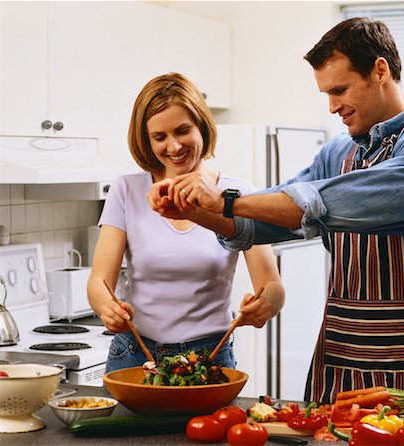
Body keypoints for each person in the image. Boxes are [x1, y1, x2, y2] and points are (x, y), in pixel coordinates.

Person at [148, 18, 404, 403]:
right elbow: (268, 222)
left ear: (380, 70)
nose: (332, 107)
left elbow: (333, 202)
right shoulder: (338, 153)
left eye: (340, 90)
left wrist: (223, 200)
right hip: (340, 355)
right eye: (326, 93)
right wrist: (191, 210)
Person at [87, 72, 285, 373]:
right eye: (160, 137)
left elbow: (273, 286)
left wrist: (265, 304)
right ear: (146, 139)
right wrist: (106, 307)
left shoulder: (237, 195)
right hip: (135, 353)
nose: (174, 146)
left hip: (210, 356)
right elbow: (98, 282)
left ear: (202, 127)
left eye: (182, 131)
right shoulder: (127, 190)